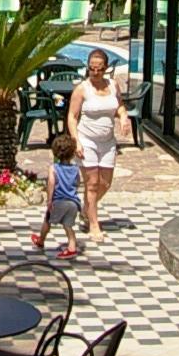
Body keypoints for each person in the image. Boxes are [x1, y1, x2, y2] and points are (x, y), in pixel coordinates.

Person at [67, 46, 123, 244]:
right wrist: (77, 142)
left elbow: (120, 106)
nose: (95, 72)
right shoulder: (82, 89)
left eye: (99, 68)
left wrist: (124, 117)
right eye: (92, 68)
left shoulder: (114, 86)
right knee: (91, 184)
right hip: (87, 140)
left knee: (105, 184)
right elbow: (72, 117)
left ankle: (86, 209)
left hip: (107, 142)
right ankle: (93, 224)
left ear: (106, 68)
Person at [32, 129, 83, 260]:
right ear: (72, 154)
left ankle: (41, 240)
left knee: (47, 221)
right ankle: (72, 247)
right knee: (68, 226)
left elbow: (51, 184)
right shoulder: (75, 169)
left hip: (58, 201)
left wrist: (49, 200)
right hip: (73, 203)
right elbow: (78, 183)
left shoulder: (54, 168)